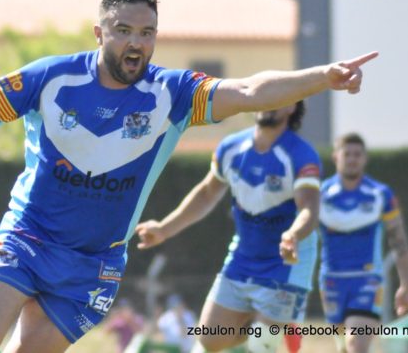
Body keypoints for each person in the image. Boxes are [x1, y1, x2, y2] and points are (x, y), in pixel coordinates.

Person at [0, 0, 378, 353]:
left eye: (147, 33)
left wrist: (324, 77)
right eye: (124, 30)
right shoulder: (51, 77)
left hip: (94, 265)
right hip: (27, 239)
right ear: (100, 33)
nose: (136, 43)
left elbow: (251, 91)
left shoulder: (173, 93)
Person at [135, 101, 321, 353]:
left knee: (261, 345)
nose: (271, 103)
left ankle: (274, 324)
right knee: (210, 339)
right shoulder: (232, 147)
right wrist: (163, 229)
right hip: (243, 257)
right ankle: (274, 322)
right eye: (268, 95)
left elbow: (309, 208)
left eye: (281, 99)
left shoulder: (301, 155)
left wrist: (293, 235)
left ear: (292, 108)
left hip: (286, 263)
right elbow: (206, 194)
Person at [318, 133, 408, 353]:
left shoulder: (381, 194)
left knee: (356, 343)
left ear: (365, 158)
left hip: (367, 279)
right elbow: (302, 235)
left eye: (357, 154)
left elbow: (399, 241)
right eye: (347, 154)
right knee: (344, 347)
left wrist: (406, 284)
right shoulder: (320, 195)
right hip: (331, 280)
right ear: (336, 157)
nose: (352, 159)